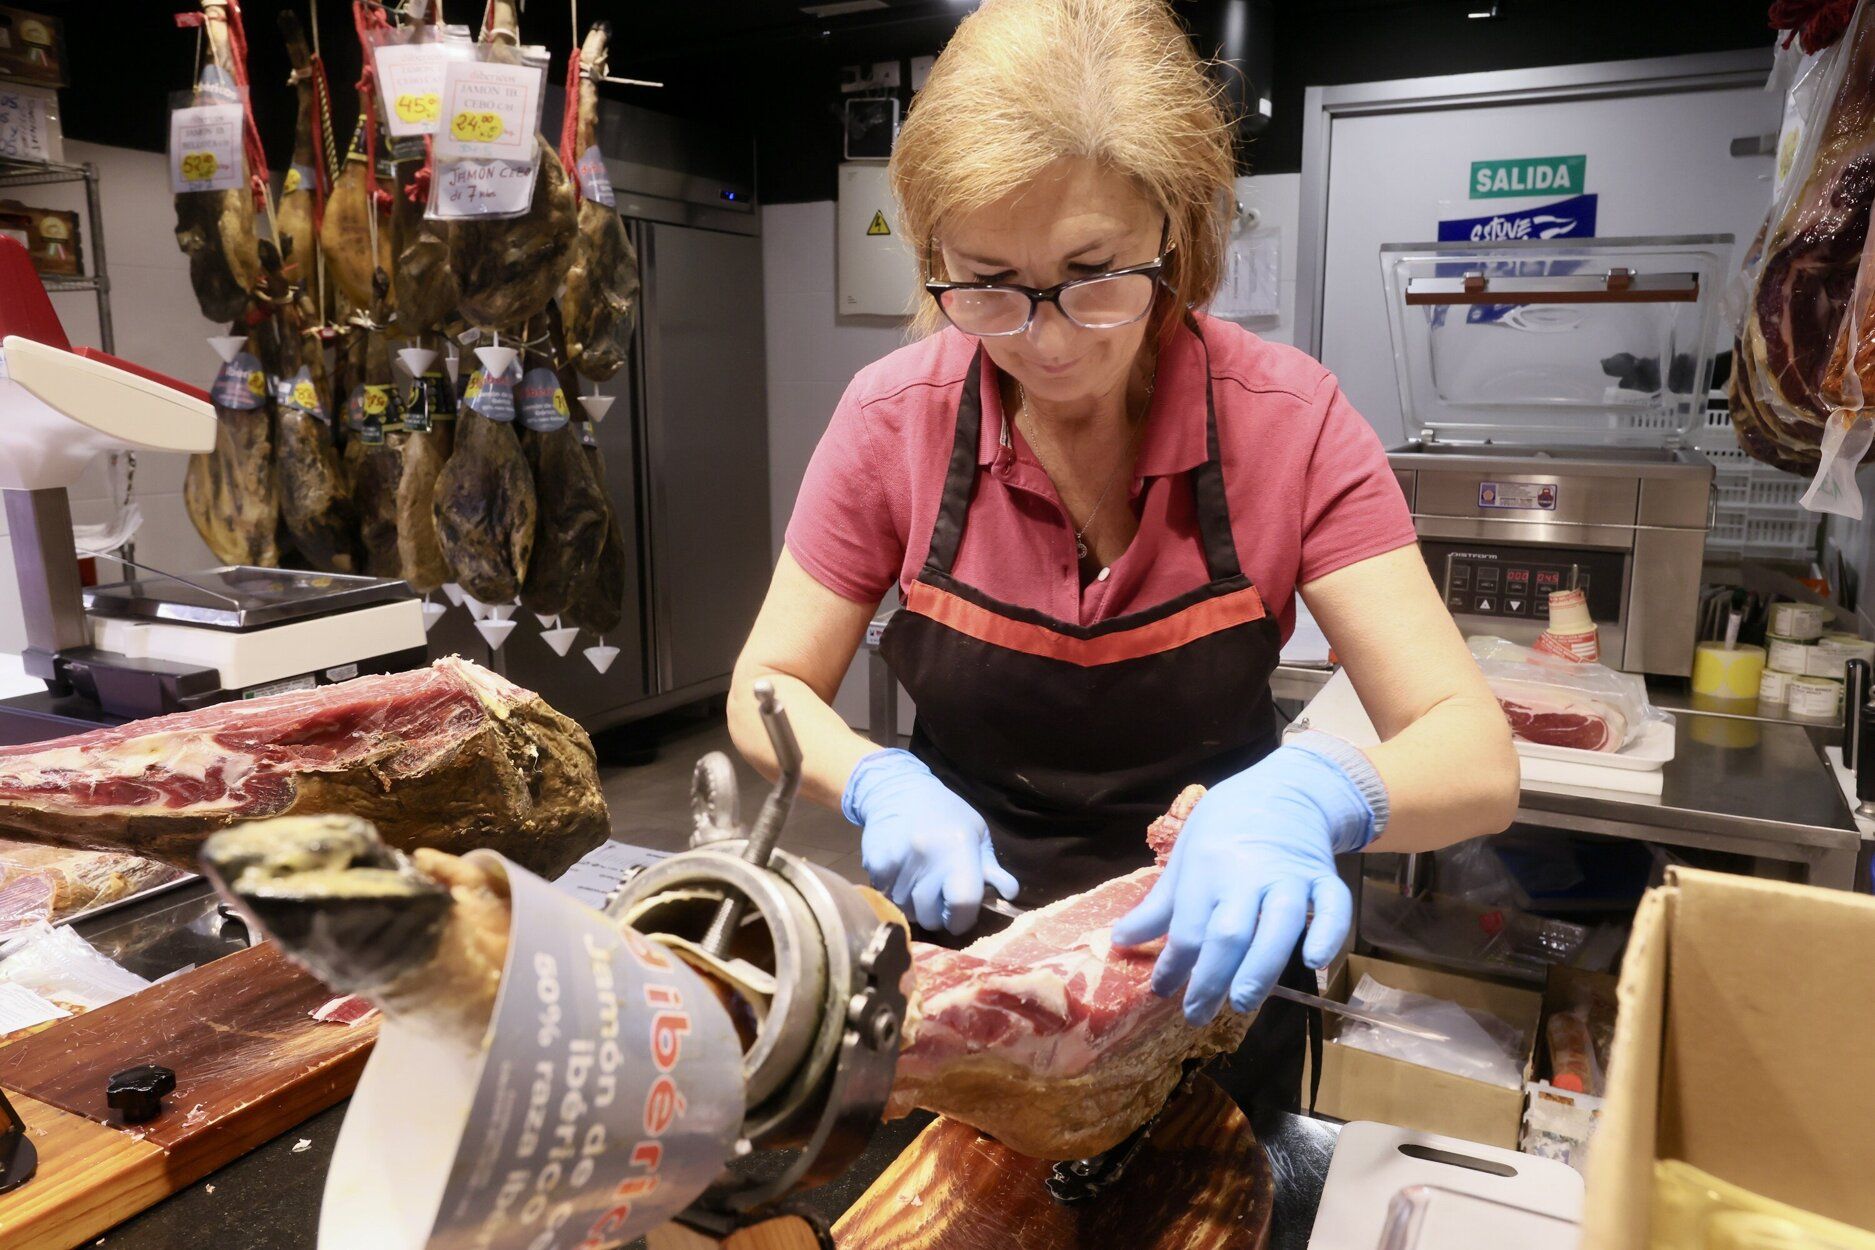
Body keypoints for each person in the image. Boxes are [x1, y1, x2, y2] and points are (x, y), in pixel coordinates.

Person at [730, 0, 1519, 1110]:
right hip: (973, 972)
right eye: (987, 280)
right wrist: (874, 778)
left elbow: (1473, 751)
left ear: (1178, 236)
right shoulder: (891, 418)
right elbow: (763, 686)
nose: (1043, 340)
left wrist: (1316, 790)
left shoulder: (1288, 421)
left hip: (1209, 974)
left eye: (1093, 274)